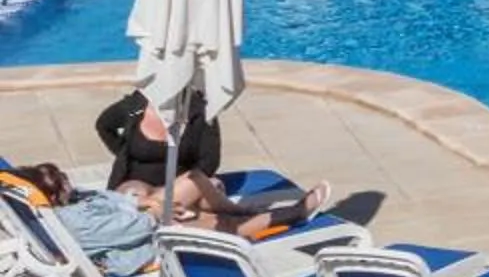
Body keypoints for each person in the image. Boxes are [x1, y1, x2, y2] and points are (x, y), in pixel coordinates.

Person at [93, 87, 322, 229]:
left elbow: (209, 162)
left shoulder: (200, 112)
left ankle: (280, 213)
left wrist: (185, 185)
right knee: (143, 192)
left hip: (174, 191)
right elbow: (104, 125)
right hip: (139, 192)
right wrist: (124, 153)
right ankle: (242, 210)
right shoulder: (135, 106)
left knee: (197, 186)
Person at [12, 161, 159, 277]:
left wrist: (135, 202)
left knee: (135, 187)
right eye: (58, 181)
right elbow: (135, 228)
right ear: (52, 197)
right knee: (169, 194)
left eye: (59, 174)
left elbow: (102, 199)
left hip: (124, 219)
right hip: (141, 247)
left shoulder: (64, 203)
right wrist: (154, 212)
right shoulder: (77, 223)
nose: (64, 179)